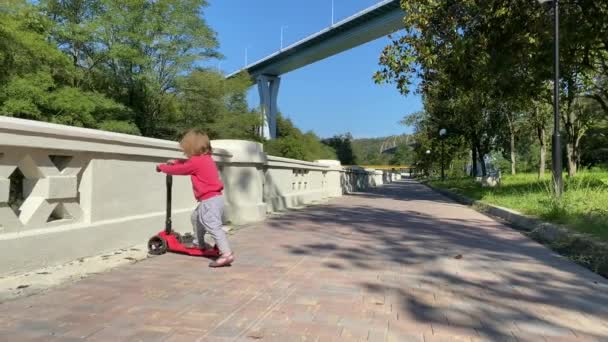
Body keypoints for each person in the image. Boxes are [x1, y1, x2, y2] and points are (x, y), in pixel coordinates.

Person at [156, 130, 234, 267]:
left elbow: (182, 170)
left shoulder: (197, 162)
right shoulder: (206, 159)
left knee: (213, 226)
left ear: (192, 147)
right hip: (213, 199)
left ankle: (226, 254)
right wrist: (176, 161)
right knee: (196, 218)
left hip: (209, 201)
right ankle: (199, 243)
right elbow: (188, 164)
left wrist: (162, 167)